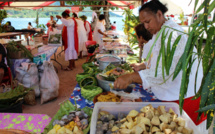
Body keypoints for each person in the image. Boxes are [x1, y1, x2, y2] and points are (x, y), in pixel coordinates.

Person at [114, 0, 205, 125]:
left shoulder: (172, 34)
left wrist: (131, 77)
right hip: (171, 95)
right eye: (143, 23)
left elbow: (164, 72)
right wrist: (142, 67)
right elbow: (155, 61)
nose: (145, 27)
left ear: (159, 14)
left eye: (147, 21)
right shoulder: (160, 32)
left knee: (184, 128)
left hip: (184, 98)